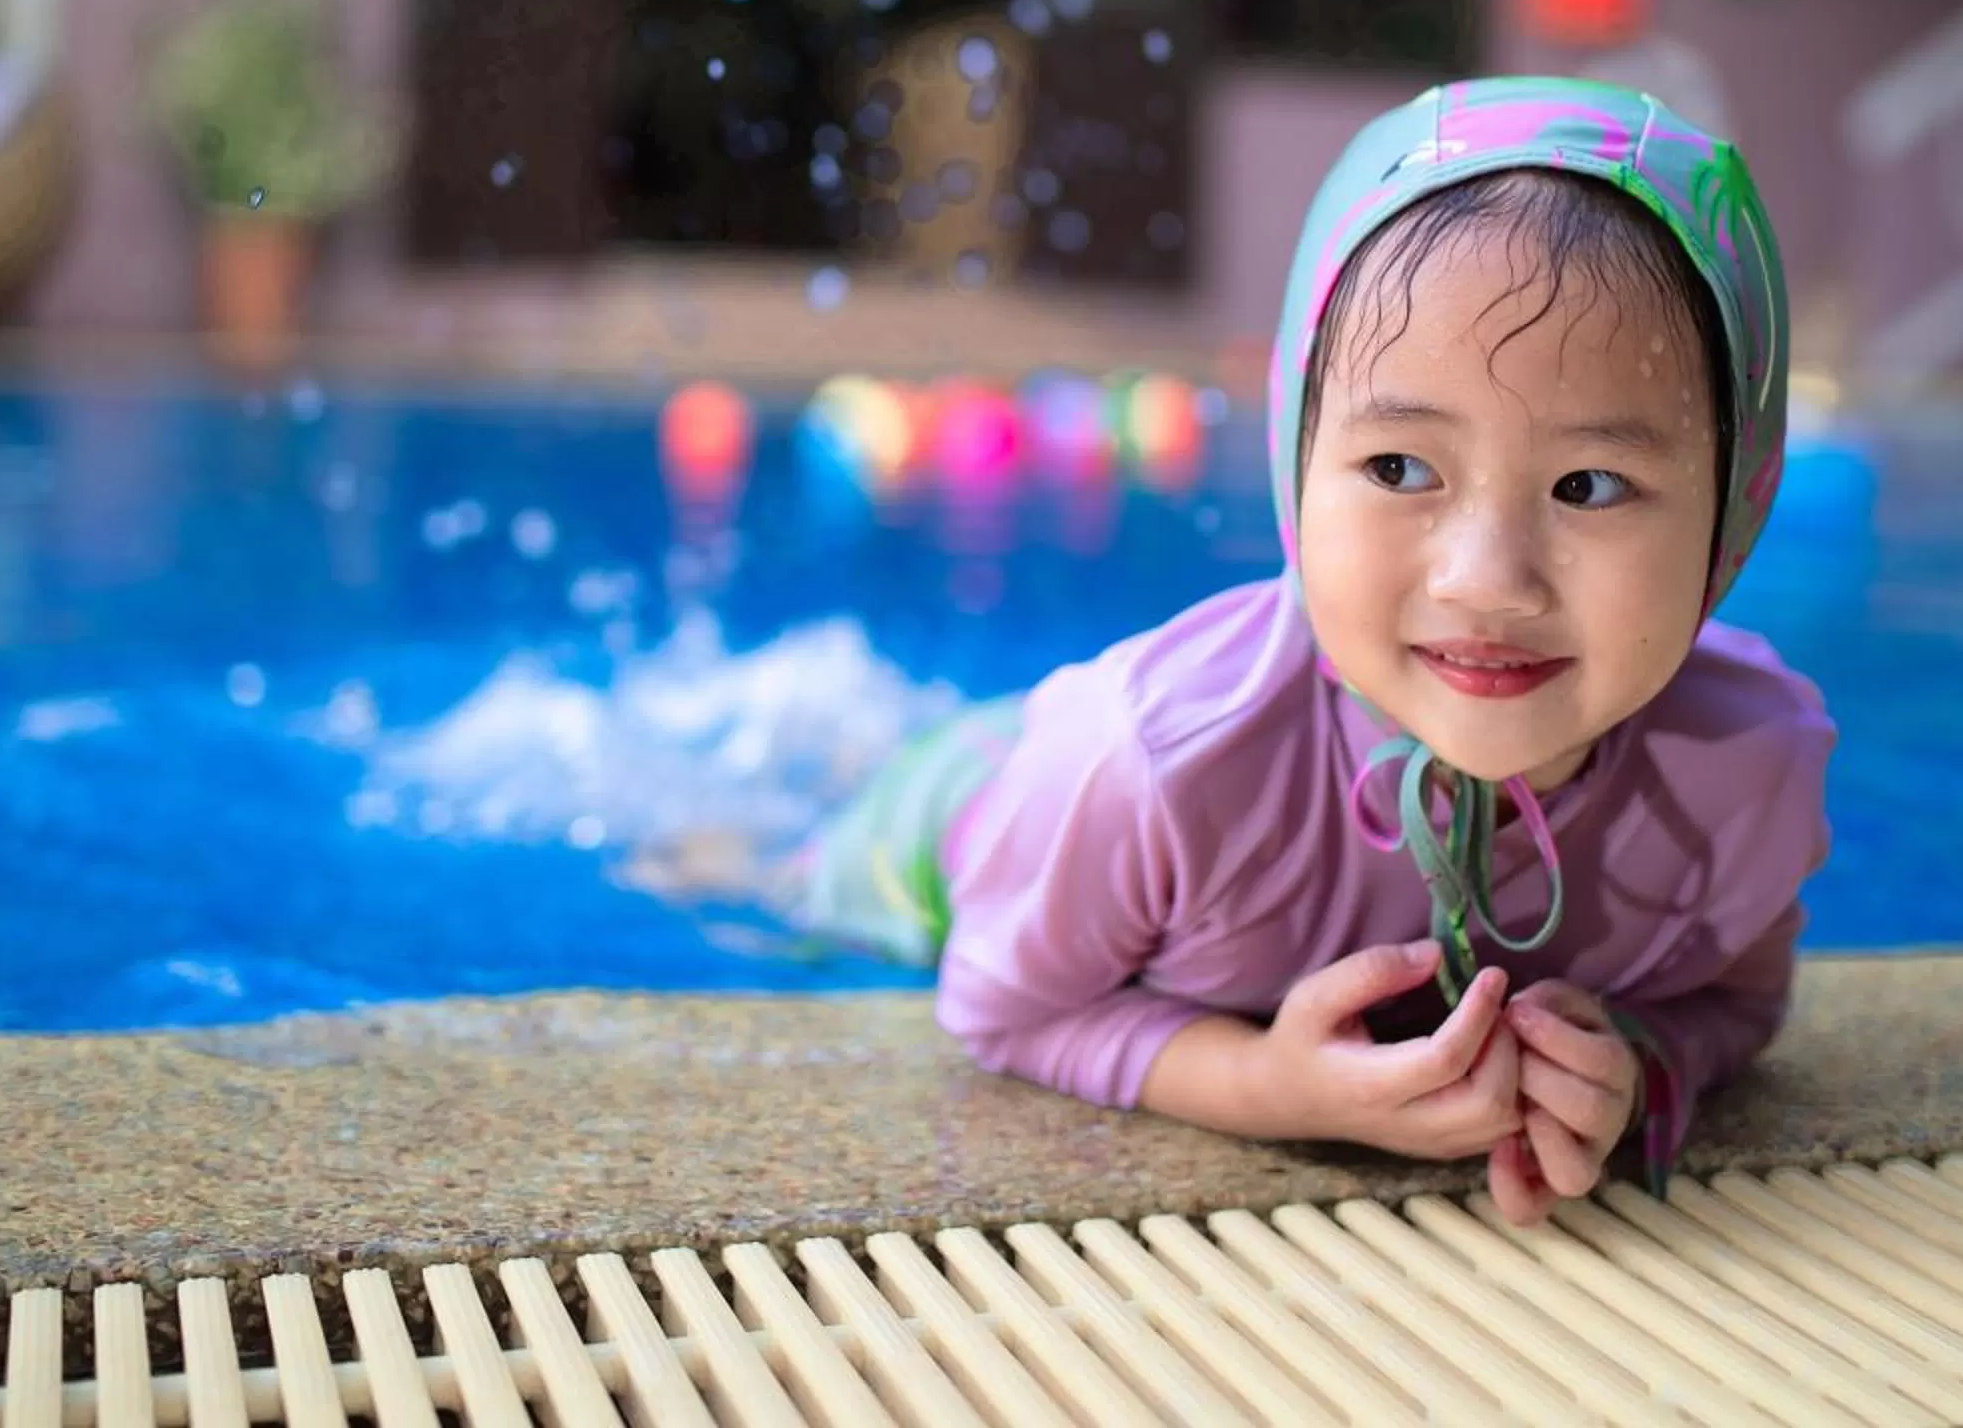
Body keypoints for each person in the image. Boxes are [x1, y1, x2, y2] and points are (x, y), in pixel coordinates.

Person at [779, 77, 1832, 1222]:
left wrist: (1636, 1063)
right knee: (757, 857)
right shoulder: (1154, 765)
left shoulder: (1741, 771)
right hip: (953, 823)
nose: (1484, 577)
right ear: (1295, 463)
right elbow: (1001, 1005)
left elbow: (1737, 1004)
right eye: (1398, 468)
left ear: (1737, 516)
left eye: (1590, 485)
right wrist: (1265, 1086)